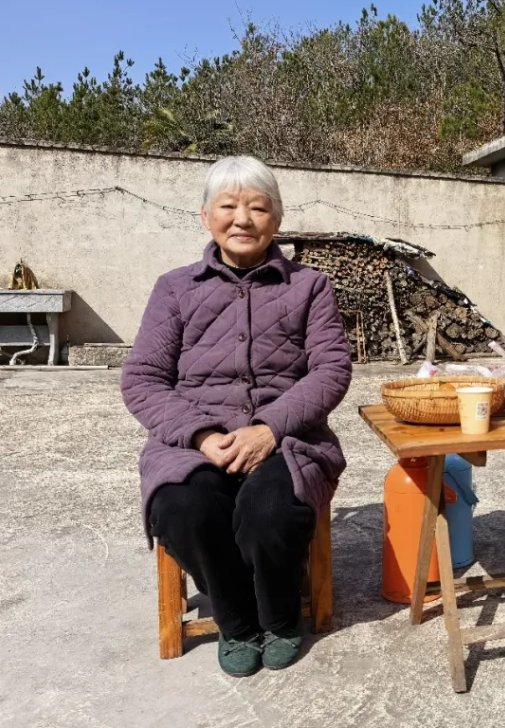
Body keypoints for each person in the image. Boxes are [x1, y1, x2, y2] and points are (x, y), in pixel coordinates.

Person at [121, 156, 352, 677]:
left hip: (288, 438)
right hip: (191, 443)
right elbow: (142, 379)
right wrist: (201, 435)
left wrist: (269, 429)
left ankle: (280, 617)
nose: (242, 219)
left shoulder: (309, 286)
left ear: (277, 218)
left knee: (271, 511)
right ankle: (237, 620)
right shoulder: (175, 288)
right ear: (206, 216)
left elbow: (331, 370)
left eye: (258, 208)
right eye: (228, 206)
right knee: (184, 509)